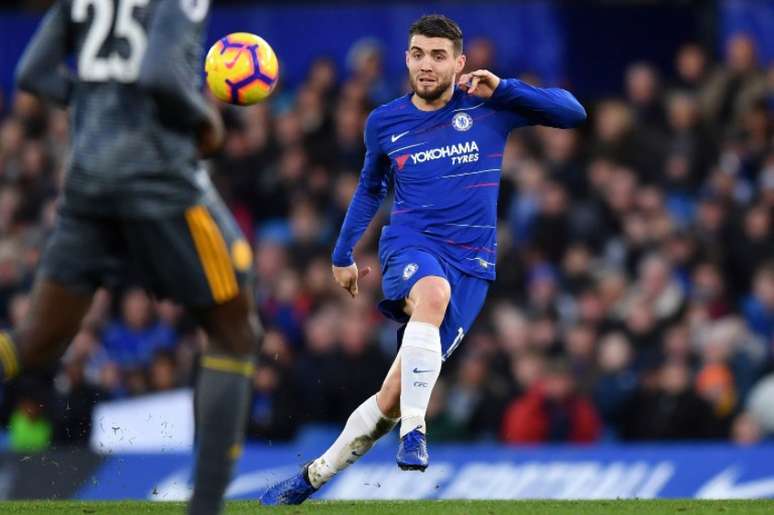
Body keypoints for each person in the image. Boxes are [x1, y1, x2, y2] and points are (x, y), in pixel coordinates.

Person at [261, 14, 585, 504]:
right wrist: (342, 252)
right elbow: (370, 189)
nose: (426, 65)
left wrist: (506, 89)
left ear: (460, 63)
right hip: (410, 245)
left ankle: (310, 479)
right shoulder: (385, 121)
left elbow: (573, 113)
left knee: (391, 397)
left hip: (473, 265)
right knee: (432, 293)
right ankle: (416, 430)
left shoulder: (491, 107)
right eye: (417, 54)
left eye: (438, 56)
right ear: (407, 58)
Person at [10, 1, 261, 514]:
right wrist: (204, 119)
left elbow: (31, 73)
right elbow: (160, 78)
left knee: (33, 343)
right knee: (236, 332)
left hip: (87, 180)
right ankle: (207, 507)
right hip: (158, 180)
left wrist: (91, 106)